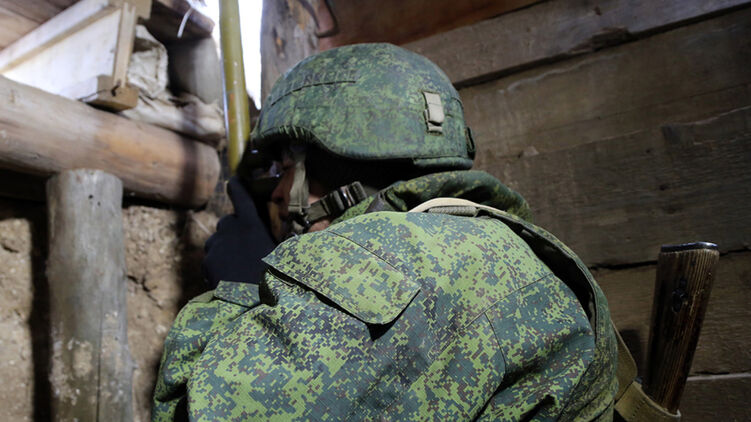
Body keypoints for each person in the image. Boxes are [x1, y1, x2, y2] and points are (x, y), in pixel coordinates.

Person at [153, 43, 618, 421]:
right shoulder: (493, 244)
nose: (275, 192)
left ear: (329, 165)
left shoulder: (389, 262)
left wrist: (239, 292)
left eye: (284, 168)